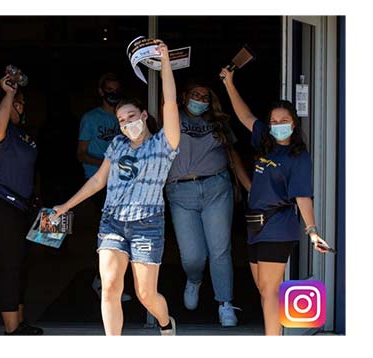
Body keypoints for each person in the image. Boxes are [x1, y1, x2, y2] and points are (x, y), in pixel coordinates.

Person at [48, 39, 181, 336]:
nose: (126, 124)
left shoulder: (164, 143)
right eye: (121, 121)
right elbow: (98, 180)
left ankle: (165, 322)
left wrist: (166, 63)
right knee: (109, 286)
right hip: (112, 221)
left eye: (131, 117)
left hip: (147, 224)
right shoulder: (118, 143)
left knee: (145, 294)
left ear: (144, 116)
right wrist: (65, 206)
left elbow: (169, 103)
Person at [220, 66, 332, 336]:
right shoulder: (265, 141)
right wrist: (228, 84)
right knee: (263, 288)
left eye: (284, 120)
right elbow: (244, 115)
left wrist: (312, 231)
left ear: (294, 122)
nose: (279, 125)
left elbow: (302, 196)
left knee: (270, 290)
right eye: (274, 121)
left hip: (279, 225)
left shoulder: (298, 157)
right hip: (255, 224)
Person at [165, 79, 254, 327]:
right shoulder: (171, 117)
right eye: (195, 94)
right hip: (181, 191)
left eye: (205, 97)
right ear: (184, 96)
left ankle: (225, 303)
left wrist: (249, 188)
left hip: (216, 187)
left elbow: (232, 155)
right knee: (192, 256)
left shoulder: (219, 122)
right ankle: (194, 279)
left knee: (220, 250)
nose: (200, 100)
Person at [0, 70, 42, 335]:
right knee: (8, 265)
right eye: (18, 103)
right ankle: (11, 329)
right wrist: (9, 93)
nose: (21, 107)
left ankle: (20, 320)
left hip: (22, 207)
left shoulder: (19, 133)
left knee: (20, 265)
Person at [77, 73, 133, 303]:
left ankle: (110, 282)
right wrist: (106, 166)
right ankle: (103, 281)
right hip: (99, 184)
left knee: (125, 233)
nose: (113, 94)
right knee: (109, 233)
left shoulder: (126, 117)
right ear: (101, 91)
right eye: (109, 89)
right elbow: (80, 153)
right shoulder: (90, 118)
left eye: (117, 89)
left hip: (124, 183)